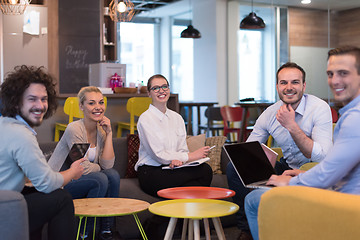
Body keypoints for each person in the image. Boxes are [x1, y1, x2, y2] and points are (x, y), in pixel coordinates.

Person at [244, 46, 360, 240]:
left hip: (346, 202)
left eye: (343, 73)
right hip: (331, 184)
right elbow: (342, 168)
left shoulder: (353, 118)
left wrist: (291, 182)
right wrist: (303, 175)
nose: (335, 81)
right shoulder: (350, 113)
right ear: (277, 86)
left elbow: (327, 168)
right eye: (330, 74)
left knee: (253, 201)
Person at [226, 62, 333, 240]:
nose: (289, 87)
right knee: (234, 167)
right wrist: (258, 157)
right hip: (286, 167)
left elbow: (320, 156)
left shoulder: (319, 108)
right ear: (277, 86)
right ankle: (247, 229)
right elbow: (248, 149)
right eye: (283, 83)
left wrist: (292, 126)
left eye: (295, 82)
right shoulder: (270, 113)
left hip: (314, 171)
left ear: (304, 86)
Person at [0, 65, 84, 240]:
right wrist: (72, 172)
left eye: (43, 99)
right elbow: (46, 182)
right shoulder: (21, 135)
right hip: (4, 209)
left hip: (7, 199)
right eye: (32, 99)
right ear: (16, 102)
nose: (40, 106)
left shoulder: (4, 124)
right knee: (61, 199)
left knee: (39, 196)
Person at [48, 86, 120, 240]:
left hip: (80, 179)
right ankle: (85, 233)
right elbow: (82, 167)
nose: (98, 107)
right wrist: (98, 167)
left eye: (101, 102)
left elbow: (108, 166)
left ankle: (107, 230)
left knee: (112, 175)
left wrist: (109, 134)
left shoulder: (101, 131)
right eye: (91, 103)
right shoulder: (74, 129)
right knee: (101, 178)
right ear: (81, 106)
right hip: (61, 181)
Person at [135, 74, 213, 197]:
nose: (161, 91)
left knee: (205, 170)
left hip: (173, 168)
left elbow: (182, 149)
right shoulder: (146, 119)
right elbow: (158, 155)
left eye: (164, 86)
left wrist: (178, 161)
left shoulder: (177, 118)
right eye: (156, 88)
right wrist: (191, 156)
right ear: (149, 93)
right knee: (193, 187)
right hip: (151, 171)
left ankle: (167, 216)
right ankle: (175, 216)